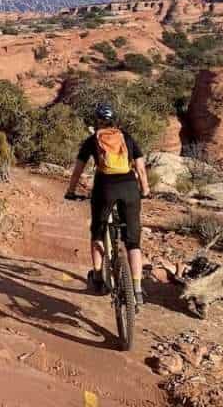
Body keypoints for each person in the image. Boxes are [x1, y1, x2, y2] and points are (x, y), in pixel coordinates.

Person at [65, 103, 150, 307]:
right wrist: (145, 190)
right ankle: (137, 288)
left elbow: (78, 169)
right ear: (115, 120)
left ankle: (98, 278)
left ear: (97, 121)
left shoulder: (92, 140)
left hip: (105, 189)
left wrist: (71, 191)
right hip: (130, 188)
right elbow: (140, 168)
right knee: (133, 242)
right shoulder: (126, 137)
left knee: (97, 231)